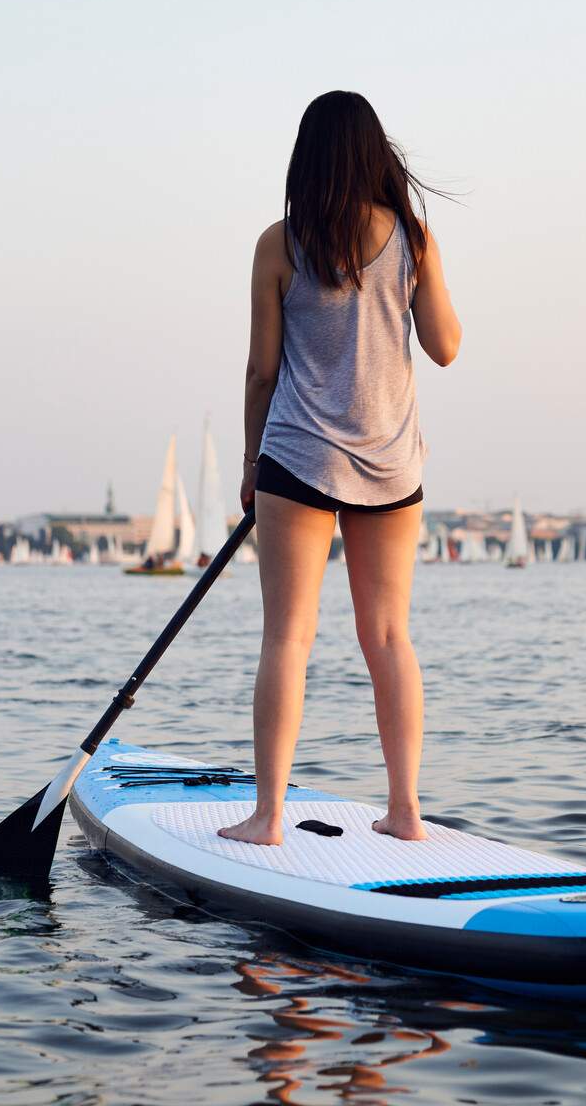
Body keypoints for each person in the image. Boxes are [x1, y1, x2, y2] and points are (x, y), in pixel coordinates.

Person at [218, 91, 462, 847]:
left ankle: (267, 818)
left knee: (287, 638)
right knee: (389, 636)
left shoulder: (278, 243)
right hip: (390, 461)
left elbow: (262, 371)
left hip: (296, 455)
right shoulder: (414, 239)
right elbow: (447, 346)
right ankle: (406, 811)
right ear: (374, 154)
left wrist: (253, 466)